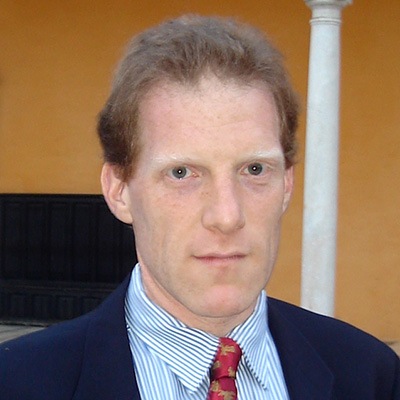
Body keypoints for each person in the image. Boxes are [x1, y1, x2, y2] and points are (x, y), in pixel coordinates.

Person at [0, 14, 399, 400]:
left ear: (287, 184)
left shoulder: (371, 375)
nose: (227, 216)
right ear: (119, 189)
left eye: (254, 169)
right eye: (181, 173)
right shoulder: (16, 384)